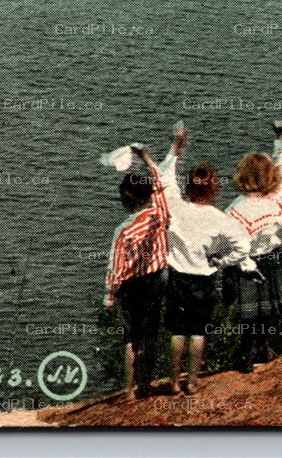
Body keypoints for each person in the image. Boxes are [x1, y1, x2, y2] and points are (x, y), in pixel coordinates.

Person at [158, 124, 254, 394]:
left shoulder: (176, 208)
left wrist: (176, 146)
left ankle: (173, 382)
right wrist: (222, 260)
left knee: (178, 331)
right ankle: (192, 380)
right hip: (204, 277)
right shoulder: (220, 219)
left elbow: (165, 177)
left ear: (188, 187)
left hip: (177, 276)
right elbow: (243, 246)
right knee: (199, 331)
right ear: (214, 190)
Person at [223, 122, 282, 372]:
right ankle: (262, 347)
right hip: (272, 259)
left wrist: (232, 266)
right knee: (268, 310)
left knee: (249, 314)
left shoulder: (236, 209)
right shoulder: (276, 196)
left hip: (247, 265)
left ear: (242, 177)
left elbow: (231, 244)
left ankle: (246, 353)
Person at [104, 144, 170, 400]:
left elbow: (116, 268)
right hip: (157, 279)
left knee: (131, 336)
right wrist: (147, 158)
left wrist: (110, 297)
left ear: (125, 200)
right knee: (151, 333)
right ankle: (147, 384)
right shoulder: (159, 215)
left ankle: (129, 389)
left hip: (132, 287)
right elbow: (160, 186)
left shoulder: (123, 231)